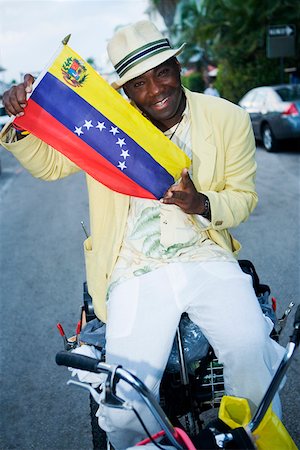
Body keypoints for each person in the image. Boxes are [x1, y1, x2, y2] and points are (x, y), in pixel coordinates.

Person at [1, 20, 284, 450]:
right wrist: (22, 121)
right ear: (125, 91)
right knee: (125, 396)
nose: (155, 91)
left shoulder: (229, 118)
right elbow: (50, 165)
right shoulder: (108, 125)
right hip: (134, 268)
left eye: (163, 73)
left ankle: (260, 442)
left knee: (252, 353)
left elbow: (243, 198)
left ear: (179, 67)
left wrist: (201, 203)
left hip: (205, 256)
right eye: (139, 83)